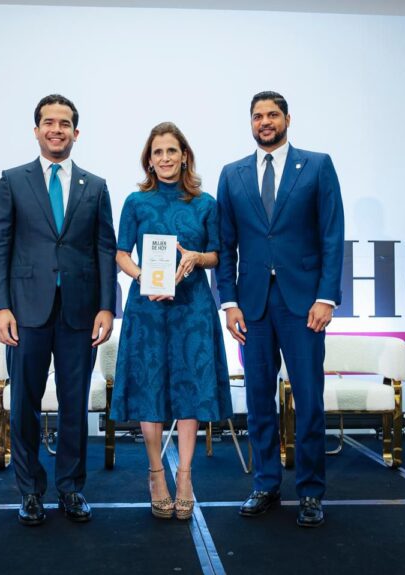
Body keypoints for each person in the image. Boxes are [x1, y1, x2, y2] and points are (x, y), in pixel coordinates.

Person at [216, 91, 344, 528]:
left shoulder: (317, 165)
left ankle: (310, 492)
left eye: (272, 114)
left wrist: (327, 297)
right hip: (252, 306)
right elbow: (226, 243)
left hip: (304, 303)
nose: (265, 122)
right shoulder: (231, 175)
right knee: (257, 400)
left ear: (288, 118)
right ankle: (266, 483)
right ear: (250, 123)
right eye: (257, 116)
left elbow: (331, 234)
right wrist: (229, 302)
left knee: (308, 399)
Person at [0, 94, 117, 526]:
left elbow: (103, 249)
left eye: (64, 123)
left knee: (74, 404)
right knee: (23, 403)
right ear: (37, 129)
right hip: (26, 310)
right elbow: (0, 247)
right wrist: (1, 307)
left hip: (80, 312)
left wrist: (106, 307)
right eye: (48, 122)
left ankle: (71, 488)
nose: (56, 129)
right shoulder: (12, 180)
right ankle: (30, 491)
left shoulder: (95, 186)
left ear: (76, 133)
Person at [111, 122, 233, 520]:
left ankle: (185, 475)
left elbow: (217, 254)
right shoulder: (135, 202)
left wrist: (197, 257)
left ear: (185, 157)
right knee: (150, 389)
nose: (165, 158)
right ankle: (156, 473)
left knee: (190, 390)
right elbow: (120, 253)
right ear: (149, 159)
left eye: (172, 151)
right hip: (148, 311)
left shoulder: (205, 203)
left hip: (192, 308)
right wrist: (142, 276)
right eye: (158, 152)